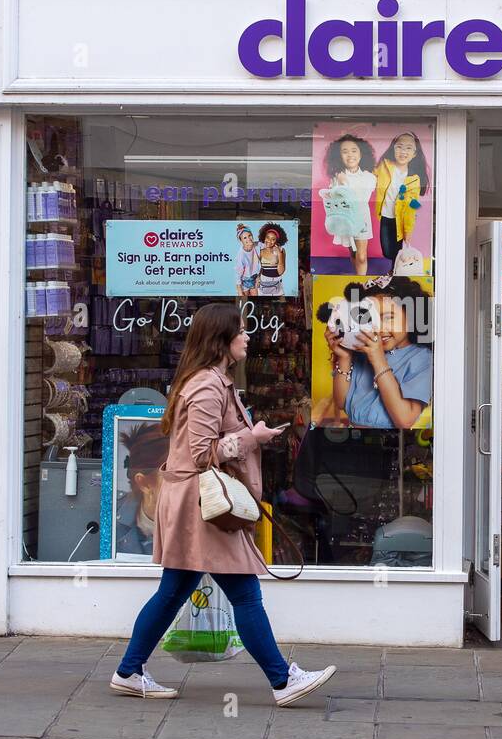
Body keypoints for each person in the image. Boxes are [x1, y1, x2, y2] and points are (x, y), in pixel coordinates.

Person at [112, 302, 336, 706]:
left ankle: (129, 670)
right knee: (246, 594)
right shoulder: (206, 386)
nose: (247, 337)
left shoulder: (210, 381)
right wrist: (255, 437)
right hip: (202, 508)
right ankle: (284, 680)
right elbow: (201, 454)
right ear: (221, 339)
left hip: (192, 503)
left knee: (172, 592)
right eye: (241, 331)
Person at [323, 275, 433, 430]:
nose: (379, 328)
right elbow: (341, 403)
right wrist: (345, 357)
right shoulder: (362, 352)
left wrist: (378, 360)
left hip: (391, 444)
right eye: (370, 319)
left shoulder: (421, 358)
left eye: (388, 318)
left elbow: (405, 420)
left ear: (411, 316)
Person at [323, 134, 377, 275]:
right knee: (353, 253)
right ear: (339, 156)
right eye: (344, 151)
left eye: (354, 150)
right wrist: (339, 182)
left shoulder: (369, 177)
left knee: (361, 255)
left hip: (362, 219)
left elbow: (357, 198)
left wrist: (344, 183)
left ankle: (362, 284)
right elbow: (334, 199)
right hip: (344, 218)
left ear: (361, 154)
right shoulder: (336, 177)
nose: (350, 155)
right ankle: (358, 278)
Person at [373, 132, 430, 263]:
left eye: (409, 148)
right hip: (386, 216)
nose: (403, 151)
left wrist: (408, 231)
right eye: (399, 146)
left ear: (415, 154)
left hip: (401, 219)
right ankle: (394, 271)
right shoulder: (384, 166)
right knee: (387, 252)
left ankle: (394, 274)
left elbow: (412, 207)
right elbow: (371, 177)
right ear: (393, 149)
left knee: (396, 252)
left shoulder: (414, 179)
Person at [115, 422, 169, 557]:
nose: (188, 484)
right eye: (173, 475)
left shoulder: (201, 514)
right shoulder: (112, 517)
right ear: (144, 483)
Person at [256, 222, 288, 297]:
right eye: (268, 237)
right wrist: (257, 278)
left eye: (273, 239)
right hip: (263, 283)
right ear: (264, 237)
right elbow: (258, 269)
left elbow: (280, 272)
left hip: (276, 283)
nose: (269, 241)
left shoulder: (281, 251)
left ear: (276, 241)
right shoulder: (260, 252)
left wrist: (279, 254)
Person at [235, 224, 259, 297]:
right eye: (245, 238)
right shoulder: (241, 255)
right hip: (244, 280)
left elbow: (266, 244)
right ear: (241, 241)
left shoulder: (256, 245)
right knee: (244, 301)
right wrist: (239, 291)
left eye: (249, 235)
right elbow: (238, 274)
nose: (248, 239)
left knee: (255, 300)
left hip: (254, 277)